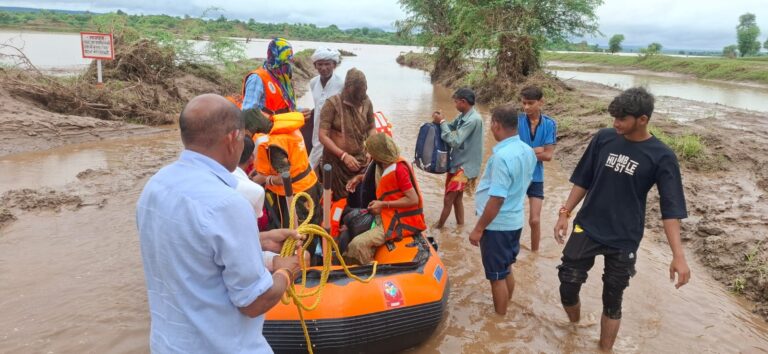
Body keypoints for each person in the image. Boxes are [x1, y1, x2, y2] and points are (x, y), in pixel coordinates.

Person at [136, 94, 303, 353]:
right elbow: (254, 302)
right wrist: (286, 271)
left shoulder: (155, 186)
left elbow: (193, 250)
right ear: (232, 139)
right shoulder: (228, 204)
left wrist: (259, 240)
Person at [553, 87, 691, 352]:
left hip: (624, 237)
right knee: (568, 284)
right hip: (588, 226)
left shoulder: (662, 156)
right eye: (613, 118)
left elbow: (671, 210)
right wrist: (565, 212)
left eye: (622, 119)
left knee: (613, 299)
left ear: (642, 119)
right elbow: (584, 178)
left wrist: (678, 255)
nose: (615, 124)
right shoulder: (604, 138)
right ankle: (574, 328)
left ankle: (604, 350)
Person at [468, 104, 536, 315]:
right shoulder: (527, 150)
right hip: (515, 222)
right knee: (506, 268)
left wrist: (479, 228)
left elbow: (497, 199)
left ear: (496, 125)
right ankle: (507, 305)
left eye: (491, 124)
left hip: (497, 226)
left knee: (496, 277)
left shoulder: (501, 157)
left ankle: (499, 320)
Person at [344, 133, 426, 264]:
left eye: (369, 151)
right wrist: (358, 179)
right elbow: (379, 182)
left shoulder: (400, 170)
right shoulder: (380, 165)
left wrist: (383, 205)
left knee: (357, 244)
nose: (367, 154)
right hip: (384, 214)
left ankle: (366, 272)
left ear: (377, 154)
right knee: (349, 222)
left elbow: (413, 199)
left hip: (397, 220)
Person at [248, 111, 323, 230]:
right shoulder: (286, 126)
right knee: (312, 226)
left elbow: (284, 178)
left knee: (298, 234)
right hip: (310, 184)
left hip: (296, 194)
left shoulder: (276, 143)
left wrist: (264, 179)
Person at [319, 68, 377, 201]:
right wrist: (344, 156)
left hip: (361, 160)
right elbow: (322, 136)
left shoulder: (367, 102)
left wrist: (371, 149)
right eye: (355, 95)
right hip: (337, 163)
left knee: (361, 194)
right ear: (347, 89)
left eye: (362, 93)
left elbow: (371, 127)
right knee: (341, 199)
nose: (359, 99)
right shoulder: (332, 104)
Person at [432, 88, 484, 228]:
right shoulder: (463, 116)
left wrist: (442, 121)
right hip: (457, 163)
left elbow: (455, 141)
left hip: (464, 168)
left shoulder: (473, 120)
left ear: (463, 102)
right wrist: (440, 122)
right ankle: (460, 227)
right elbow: (449, 127)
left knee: (449, 199)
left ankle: (438, 228)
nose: (454, 105)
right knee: (456, 199)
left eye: (455, 102)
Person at [517, 85, 557, 252]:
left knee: (534, 220)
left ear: (541, 102)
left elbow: (548, 156)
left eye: (530, 103)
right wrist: (537, 149)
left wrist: (525, 151)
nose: (526, 107)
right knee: (512, 216)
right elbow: (514, 150)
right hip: (517, 175)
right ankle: (513, 248)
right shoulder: (516, 120)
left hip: (536, 176)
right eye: (524, 103)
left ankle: (534, 253)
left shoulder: (549, 124)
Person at [239, 37, 310, 118]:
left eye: (288, 61)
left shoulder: (282, 79)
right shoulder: (257, 78)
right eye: (284, 61)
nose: (287, 65)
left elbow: (285, 106)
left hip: (283, 127)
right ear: (274, 58)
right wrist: (272, 118)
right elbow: (248, 112)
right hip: (265, 129)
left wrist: (299, 111)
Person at [306, 48, 344, 169]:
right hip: (318, 128)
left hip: (334, 130)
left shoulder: (341, 84)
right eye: (320, 64)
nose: (323, 68)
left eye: (327, 64)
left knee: (326, 161)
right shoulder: (313, 83)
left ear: (334, 65)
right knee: (315, 159)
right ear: (315, 65)